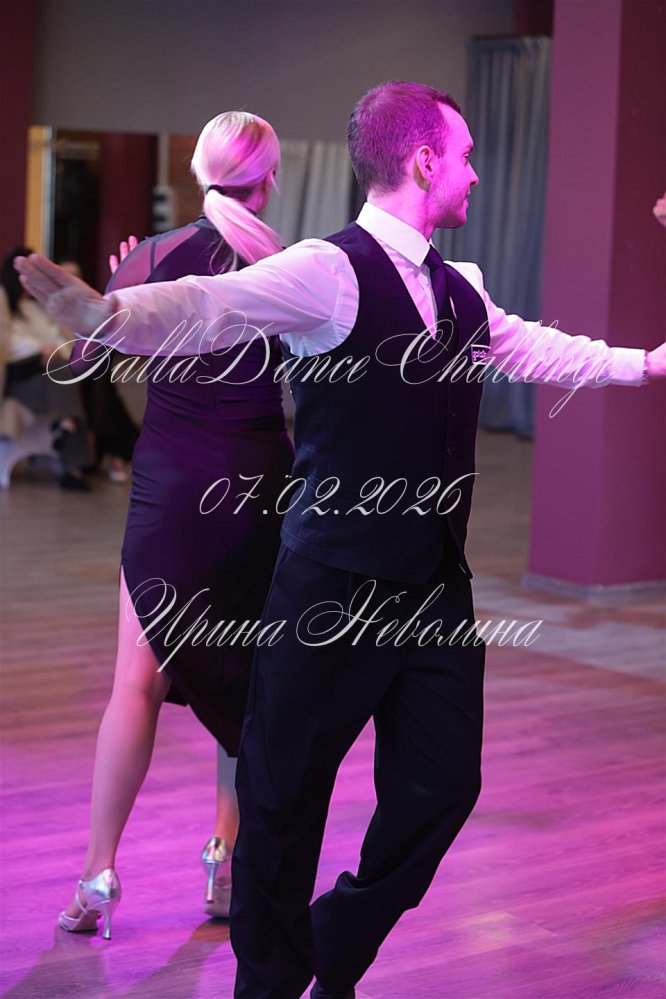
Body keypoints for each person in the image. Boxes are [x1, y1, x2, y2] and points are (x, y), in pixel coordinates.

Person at [16, 81, 666, 997]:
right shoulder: (328, 270)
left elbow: (534, 347)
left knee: (443, 787)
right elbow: (215, 303)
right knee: (282, 802)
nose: (476, 172)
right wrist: (112, 317)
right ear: (424, 163)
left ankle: (336, 937)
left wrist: (646, 364)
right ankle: (270, 984)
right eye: (466, 156)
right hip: (330, 581)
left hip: (432, 589)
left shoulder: (461, 290)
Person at [50, 111, 293, 939]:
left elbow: (85, 358)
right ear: (270, 180)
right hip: (256, 486)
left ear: (198, 174)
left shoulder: (153, 257)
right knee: (243, 683)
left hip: (175, 485)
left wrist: (117, 295)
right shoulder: (289, 266)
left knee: (136, 682)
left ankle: (98, 871)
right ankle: (224, 858)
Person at [0, 246, 92, 490]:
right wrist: (41, 348)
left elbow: (58, 340)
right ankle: (73, 460)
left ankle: (67, 426)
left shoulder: (35, 308)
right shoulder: (4, 304)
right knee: (62, 372)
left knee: (67, 369)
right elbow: (7, 343)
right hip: (21, 374)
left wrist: (52, 350)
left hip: (48, 370)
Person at [59, 258, 139, 484]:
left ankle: (111, 450)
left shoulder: (88, 305)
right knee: (99, 383)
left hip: (77, 364)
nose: (72, 279)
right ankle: (119, 451)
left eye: (76, 275)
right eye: (66, 274)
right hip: (57, 367)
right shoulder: (50, 306)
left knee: (98, 379)